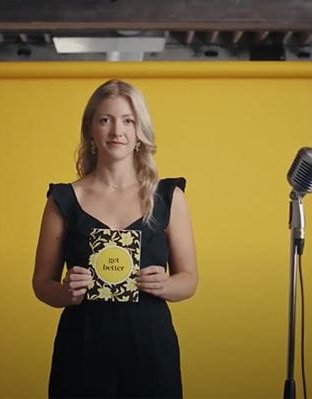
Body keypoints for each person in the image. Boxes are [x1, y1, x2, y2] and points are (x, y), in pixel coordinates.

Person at [33, 79, 198, 398]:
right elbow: (42, 284)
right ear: (90, 130)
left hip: (151, 349)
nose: (116, 131)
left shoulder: (168, 197)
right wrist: (66, 292)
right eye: (105, 119)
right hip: (82, 348)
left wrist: (165, 285)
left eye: (128, 120)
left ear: (140, 132)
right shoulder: (63, 199)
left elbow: (189, 280)